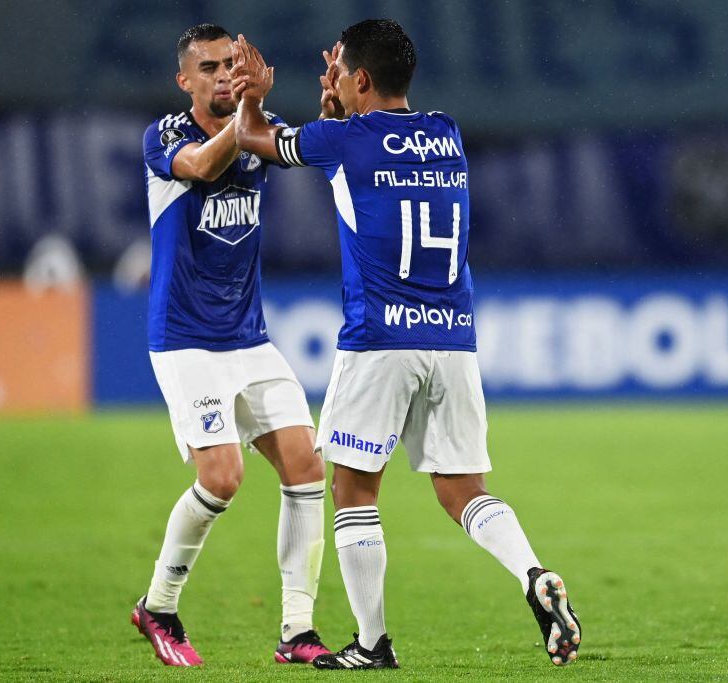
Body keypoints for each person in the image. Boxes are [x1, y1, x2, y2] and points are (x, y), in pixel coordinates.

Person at [231, 20, 582, 670]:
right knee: (462, 489)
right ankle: (533, 574)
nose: (330, 85)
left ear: (358, 79)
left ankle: (371, 643)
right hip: (453, 336)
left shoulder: (342, 139)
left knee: (355, 491)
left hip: (380, 338)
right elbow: (360, 148)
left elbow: (255, 139)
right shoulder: (446, 135)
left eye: (337, 75)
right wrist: (338, 107)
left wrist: (254, 94)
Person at [132, 23, 332, 667]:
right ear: (184, 79)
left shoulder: (257, 120)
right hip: (186, 340)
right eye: (210, 68)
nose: (223, 76)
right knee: (221, 477)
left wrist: (332, 112)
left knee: (307, 467)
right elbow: (200, 165)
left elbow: (310, 151)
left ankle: (297, 632)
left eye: (232, 65)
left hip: (249, 337)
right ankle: (158, 607)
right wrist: (248, 115)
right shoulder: (165, 136)